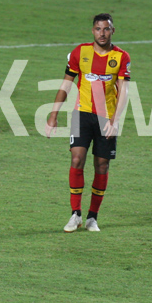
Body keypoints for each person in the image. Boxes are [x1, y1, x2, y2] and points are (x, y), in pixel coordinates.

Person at [45, 13, 131, 233]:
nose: (102, 33)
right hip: (81, 114)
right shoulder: (80, 52)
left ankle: (93, 217)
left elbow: (124, 92)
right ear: (92, 30)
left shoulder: (121, 57)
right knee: (76, 159)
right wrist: (53, 114)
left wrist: (115, 121)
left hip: (106, 118)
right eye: (98, 29)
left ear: (113, 30)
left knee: (101, 165)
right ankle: (76, 214)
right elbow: (66, 84)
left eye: (106, 29)